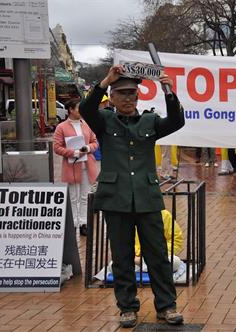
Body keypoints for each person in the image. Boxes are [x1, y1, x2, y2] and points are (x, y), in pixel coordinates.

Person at [79, 65, 185, 328]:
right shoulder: (104, 121)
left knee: (158, 255)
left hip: (147, 199)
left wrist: (169, 92)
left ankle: (167, 306)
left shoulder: (150, 121)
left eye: (132, 94)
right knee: (122, 256)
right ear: (112, 98)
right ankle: (127, 307)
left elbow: (176, 121)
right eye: (122, 94)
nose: (128, 98)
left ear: (138, 97)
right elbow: (85, 109)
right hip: (116, 198)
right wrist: (105, 81)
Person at [53, 99, 98, 236]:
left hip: (86, 164)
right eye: (78, 108)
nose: (81, 111)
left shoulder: (86, 124)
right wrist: (72, 152)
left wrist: (88, 148)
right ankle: (73, 223)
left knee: (85, 196)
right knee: (73, 197)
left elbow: (94, 142)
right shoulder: (61, 127)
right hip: (71, 165)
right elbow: (56, 147)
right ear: (70, 110)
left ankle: (84, 223)